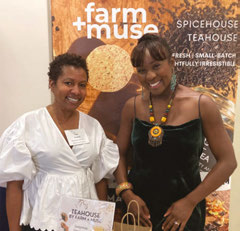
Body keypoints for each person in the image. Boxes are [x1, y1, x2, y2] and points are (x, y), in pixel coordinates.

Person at [114, 33, 237, 231]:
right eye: (142, 70)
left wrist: (190, 202)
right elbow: (118, 153)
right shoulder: (133, 106)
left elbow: (228, 162)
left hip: (183, 215)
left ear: (171, 63)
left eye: (156, 66)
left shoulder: (201, 104)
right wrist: (127, 194)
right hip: (138, 212)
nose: (150, 76)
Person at [0, 53, 119, 231]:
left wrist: (101, 223)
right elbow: (14, 185)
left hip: (84, 221)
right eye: (68, 83)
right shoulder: (28, 124)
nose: (76, 91)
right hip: (42, 219)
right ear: (52, 84)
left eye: (82, 85)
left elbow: (100, 178)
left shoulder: (93, 127)